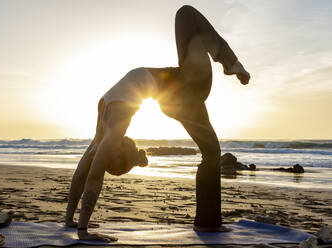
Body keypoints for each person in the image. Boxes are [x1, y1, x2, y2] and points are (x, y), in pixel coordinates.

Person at [65, 5, 250, 241]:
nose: (134, 144)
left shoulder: (104, 118)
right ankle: (232, 63)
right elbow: (95, 176)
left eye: (132, 152)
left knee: (212, 152)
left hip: (177, 92)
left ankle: (207, 223)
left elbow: (83, 172)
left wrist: (71, 219)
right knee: (185, 14)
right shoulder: (115, 126)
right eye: (132, 153)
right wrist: (83, 232)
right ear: (116, 151)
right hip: (184, 89)